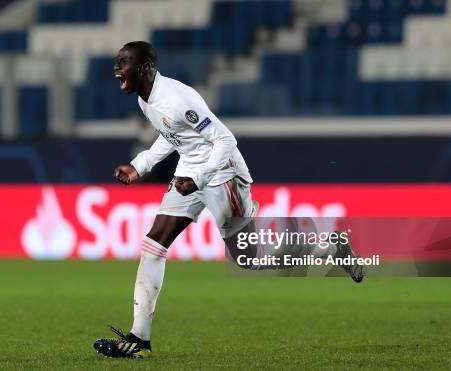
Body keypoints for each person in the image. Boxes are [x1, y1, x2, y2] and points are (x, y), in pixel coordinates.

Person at [93, 41, 363, 359]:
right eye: (117, 61)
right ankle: (140, 340)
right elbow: (172, 136)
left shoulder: (177, 99)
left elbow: (224, 138)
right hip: (190, 172)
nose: (116, 67)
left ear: (146, 67)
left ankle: (332, 246)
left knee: (250, 257)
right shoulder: (145, 99)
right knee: (154, 244)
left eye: (124, 61)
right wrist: (141, 166)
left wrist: (200, 177)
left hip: (222, 173)